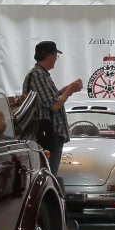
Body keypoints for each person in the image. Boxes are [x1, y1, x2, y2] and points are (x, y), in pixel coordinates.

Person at [22, 40, 82, 180]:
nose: (56, 59)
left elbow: (50, 99)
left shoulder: (41, 74)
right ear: (49, 56)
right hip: (47, 134)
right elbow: (54, 105)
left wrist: (68, 88)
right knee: (49, 174)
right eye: (55, 55)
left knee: (50, 172)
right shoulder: (38, 75)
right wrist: (70, 90)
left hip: (49, 133)